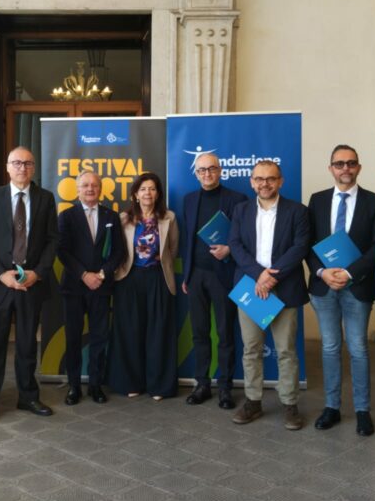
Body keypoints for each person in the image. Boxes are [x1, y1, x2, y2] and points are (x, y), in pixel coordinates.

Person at [306, 145, 375, 436]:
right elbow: (307, 243)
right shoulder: (316, 200)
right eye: (339, 164)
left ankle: (363, 410)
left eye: (351, 163)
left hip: (357, 286)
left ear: (358, 167)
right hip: (324, 286)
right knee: (329, 348)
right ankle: (332, 407)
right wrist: (322, 272)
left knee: (358, 348)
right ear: (331, 168)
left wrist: (350, 273)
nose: (345, 168)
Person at [0, 147, 58, 423]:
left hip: (31, 283)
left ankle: (28, 396)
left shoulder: (46, 198)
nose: (22, 167)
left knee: (26, 344)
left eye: (28, 163)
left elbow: (52, 240)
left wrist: (39, 273)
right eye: (17, 163)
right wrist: (1, 274)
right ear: (8, 167)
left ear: (34, 167)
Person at [228, 160, 309, 430]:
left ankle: (290, 404)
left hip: (284, 288)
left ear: (280, 181)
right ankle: (253, 401)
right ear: (252, 182)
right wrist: (258, 275)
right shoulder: (241, 210)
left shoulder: (297, 211)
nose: (265, 184)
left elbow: (300, 246)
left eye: (271, 178)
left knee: (286, 351)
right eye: (259, 179)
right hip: (251, 288)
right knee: (251, 349)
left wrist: (272, 276)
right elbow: (235, 245)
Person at [181, 153, 247, 409]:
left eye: (211, 169)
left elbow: (246, 236)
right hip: (196, 275)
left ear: (220, 170)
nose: (207, 174)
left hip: (224, 275)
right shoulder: (189, 200)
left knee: (225, 333)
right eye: (202, 170)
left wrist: (229, 250)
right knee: (199, 333)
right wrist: (187, 275)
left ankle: (225, 388)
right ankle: (202, 384)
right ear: (196, 173)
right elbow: (187, 240)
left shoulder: (237, 199)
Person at [108, 172, 179, 400]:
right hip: (129, 279)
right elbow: (117, 249)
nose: (148, 193)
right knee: (130, 331)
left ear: (158, 194)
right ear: (135, 194)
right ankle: (131, 382)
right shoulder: (124, 219)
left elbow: (173, 249)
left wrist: (159, 262)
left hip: (158, 278)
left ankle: (159, 386)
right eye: (143, 189)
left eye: (152, 189)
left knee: (159, 332)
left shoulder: (169, 218)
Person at [56, 170, 125, 405]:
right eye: (85, 185)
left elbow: (119, 251)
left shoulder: (111, 216)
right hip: (74, 287)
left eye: (94, 185)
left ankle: (96, 385)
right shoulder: (66, 216)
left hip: (101, 287)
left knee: (99, 338)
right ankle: (74, 386)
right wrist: (84, 275)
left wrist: (102, 275)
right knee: (73, 338)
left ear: (100, 189)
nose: (90, 189)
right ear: (77, 189)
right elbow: (62, 251)